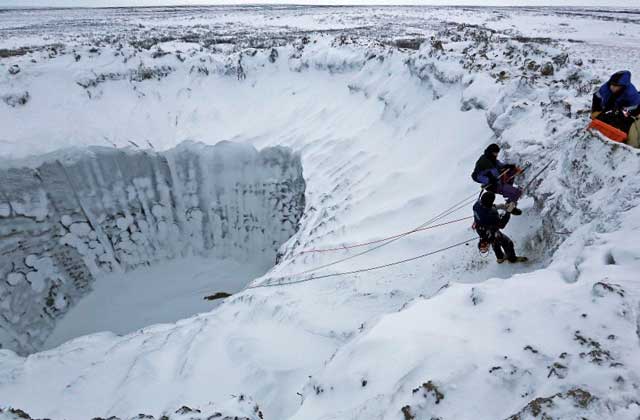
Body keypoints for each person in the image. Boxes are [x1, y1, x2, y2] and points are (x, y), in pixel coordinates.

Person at [473, 191, 527, 264]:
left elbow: (488, 207)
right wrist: (508, 211)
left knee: (494, 242)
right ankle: (512, 259)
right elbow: (501, 225)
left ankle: (500, 258)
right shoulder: (491, 215)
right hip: (490, 230)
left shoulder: (476, 204)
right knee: (507, 242)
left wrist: (498, 206)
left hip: (480, 229)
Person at [591, 70, 640, 147]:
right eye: (611, 84)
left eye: (616, 85)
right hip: (612, 105)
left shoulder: (632, 95)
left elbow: (630, 111)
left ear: (623, 86)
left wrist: (616, 113)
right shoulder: (606, 87)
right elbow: (597, 97)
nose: (612, 87)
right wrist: (596, 112)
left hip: (630, 109)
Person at [471, 143, 523, 215]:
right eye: (495, 153)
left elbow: (498, 165)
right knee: (517, 192)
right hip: (493, 185)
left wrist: (507, 166)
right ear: (491, 152)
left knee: (512, 171)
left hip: (499, 180)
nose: (497, 155)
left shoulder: (491, 158)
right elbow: (475, 176)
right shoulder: (483, 162)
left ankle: (509, 195)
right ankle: (510, 209)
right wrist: (489, 180)